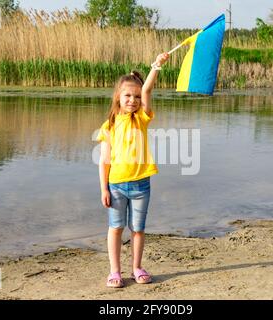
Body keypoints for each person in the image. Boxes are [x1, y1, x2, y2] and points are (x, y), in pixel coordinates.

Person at [97, 52, 170, 288]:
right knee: (116, 227)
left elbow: (148, 90)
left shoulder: (142, 117)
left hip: (141, 185)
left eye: (136, 96)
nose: (133, 100)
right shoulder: (109, 125)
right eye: (128, 95)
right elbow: (104, 161)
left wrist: (156, 66)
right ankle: (115, 271)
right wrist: (103, 189)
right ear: (118, 97)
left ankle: (137, 267)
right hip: (116, 186)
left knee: (138, 229)